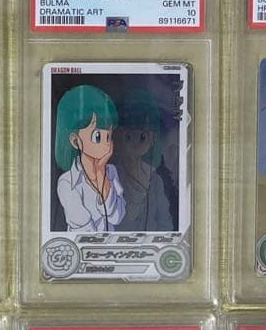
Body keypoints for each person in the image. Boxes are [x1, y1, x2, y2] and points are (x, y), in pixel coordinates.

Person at [53, 85, 125, 232]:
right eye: (97, 136)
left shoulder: (110, 172)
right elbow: (85, 231)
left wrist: (100, 174)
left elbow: (117, 217)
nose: (106, 143)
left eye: (108, 136)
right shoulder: (67, 183)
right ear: (75, 141)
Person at [113, 88, 175, 232]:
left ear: (152, 139)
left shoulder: (155, 181)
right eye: (129, 136)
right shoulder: (112, 177)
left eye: (142, 137)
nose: (135, 143)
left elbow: (165, 222)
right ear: (120, 134)